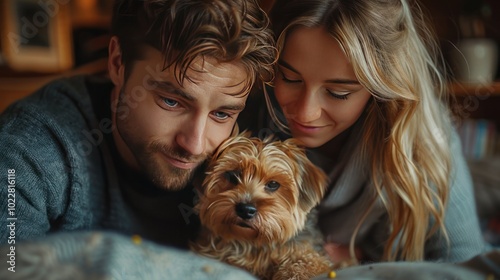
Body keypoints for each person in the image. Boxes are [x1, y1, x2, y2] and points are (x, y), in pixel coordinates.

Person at [0, 0, 275, 278]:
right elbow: (7, 266)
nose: (195, 144)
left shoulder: (251, 151)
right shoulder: (29, 149)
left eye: (221, 114)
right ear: (118, 62)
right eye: (171, 101)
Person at [240, 0, 491, 264]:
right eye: (290, 79)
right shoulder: (246, 110)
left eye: (339, 93)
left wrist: (367, 260)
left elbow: (465, 260)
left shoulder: (420, 134)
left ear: (381, 86)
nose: (305, 113)